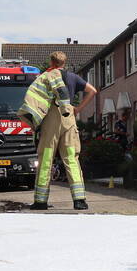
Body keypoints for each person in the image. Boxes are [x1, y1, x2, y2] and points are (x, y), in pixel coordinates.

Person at [19, 51, 96, 210]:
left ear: (51, 63)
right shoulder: (73, 77)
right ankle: (79, 200)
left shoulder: (45, 77)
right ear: (64, 63)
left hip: (50, 121)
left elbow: (34, 99)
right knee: (71, 158)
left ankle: (41, 201)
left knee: (46, 158)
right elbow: (93, 91)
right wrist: (78, 109)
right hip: (68, 119)